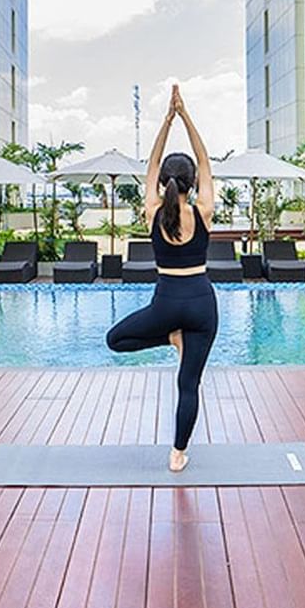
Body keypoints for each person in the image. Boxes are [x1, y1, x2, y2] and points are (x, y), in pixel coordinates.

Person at [106, 84, 218, 472]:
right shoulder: (203, 210)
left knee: (115, 340)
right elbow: (205, 160)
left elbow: (150, 165)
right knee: (188, 385)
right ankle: (178, 454)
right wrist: (185, 115)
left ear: (164, 184)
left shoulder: (153, 209)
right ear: (191, 184)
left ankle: (168, 336)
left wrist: (166, 120)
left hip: (166, 305)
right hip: (203, 305)